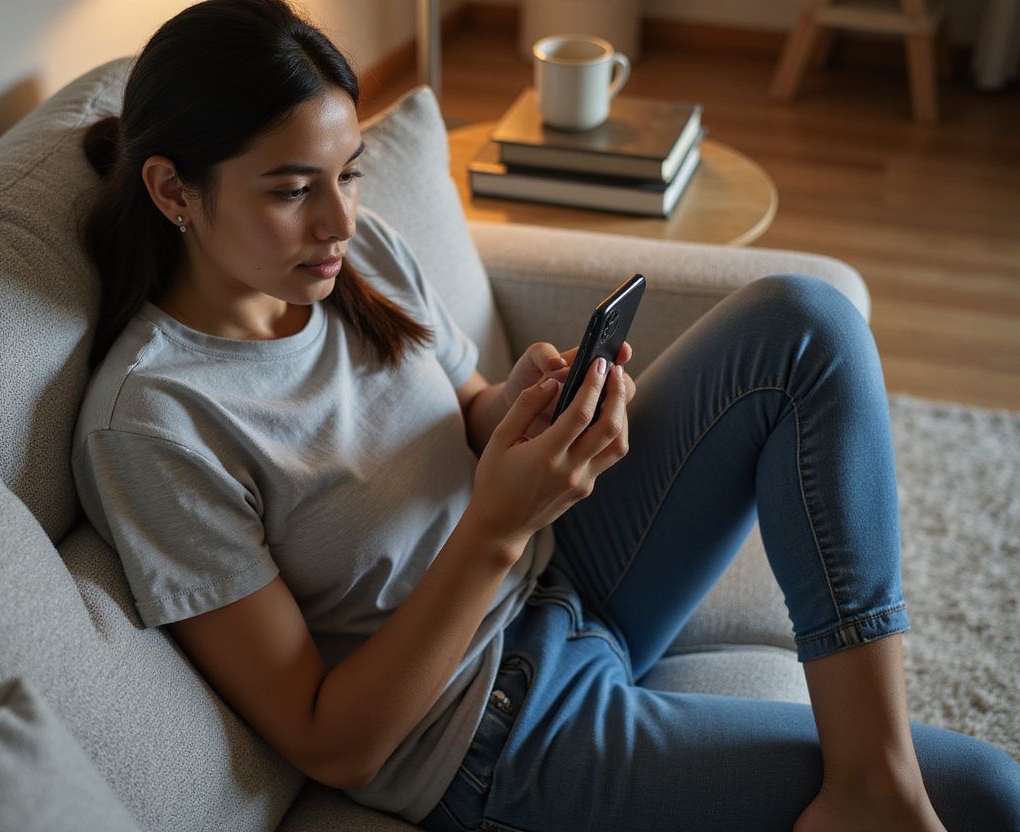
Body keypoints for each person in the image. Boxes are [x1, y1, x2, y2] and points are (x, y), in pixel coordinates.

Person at [70, 1, 1020, 829]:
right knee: (985, 793)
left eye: (349, 173)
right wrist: (497, 521)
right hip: (487, 730)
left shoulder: (354, 262)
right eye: (290, 191)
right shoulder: (155, 423)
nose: (340, 222)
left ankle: (871, 780)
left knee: (804, 322)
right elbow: (334, 744)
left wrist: (515, 406)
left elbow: (465, 408)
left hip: (563, 574)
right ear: (171, 190)